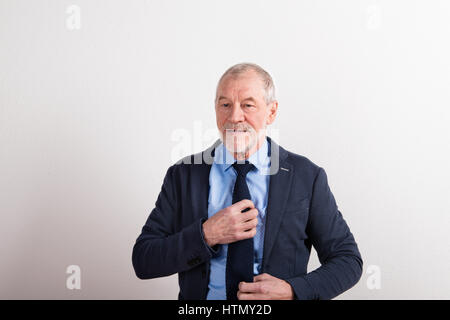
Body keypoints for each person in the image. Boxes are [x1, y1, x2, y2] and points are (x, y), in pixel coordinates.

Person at [132, 63, 363, 300]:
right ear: (215, 109)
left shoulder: (306, 176)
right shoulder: (183, 175)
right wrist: (207, 234)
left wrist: (293, 290)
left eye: (247, 105)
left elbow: (347, 261)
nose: (234, 117)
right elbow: (144, 259)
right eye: (225, 105)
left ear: (271, 112)